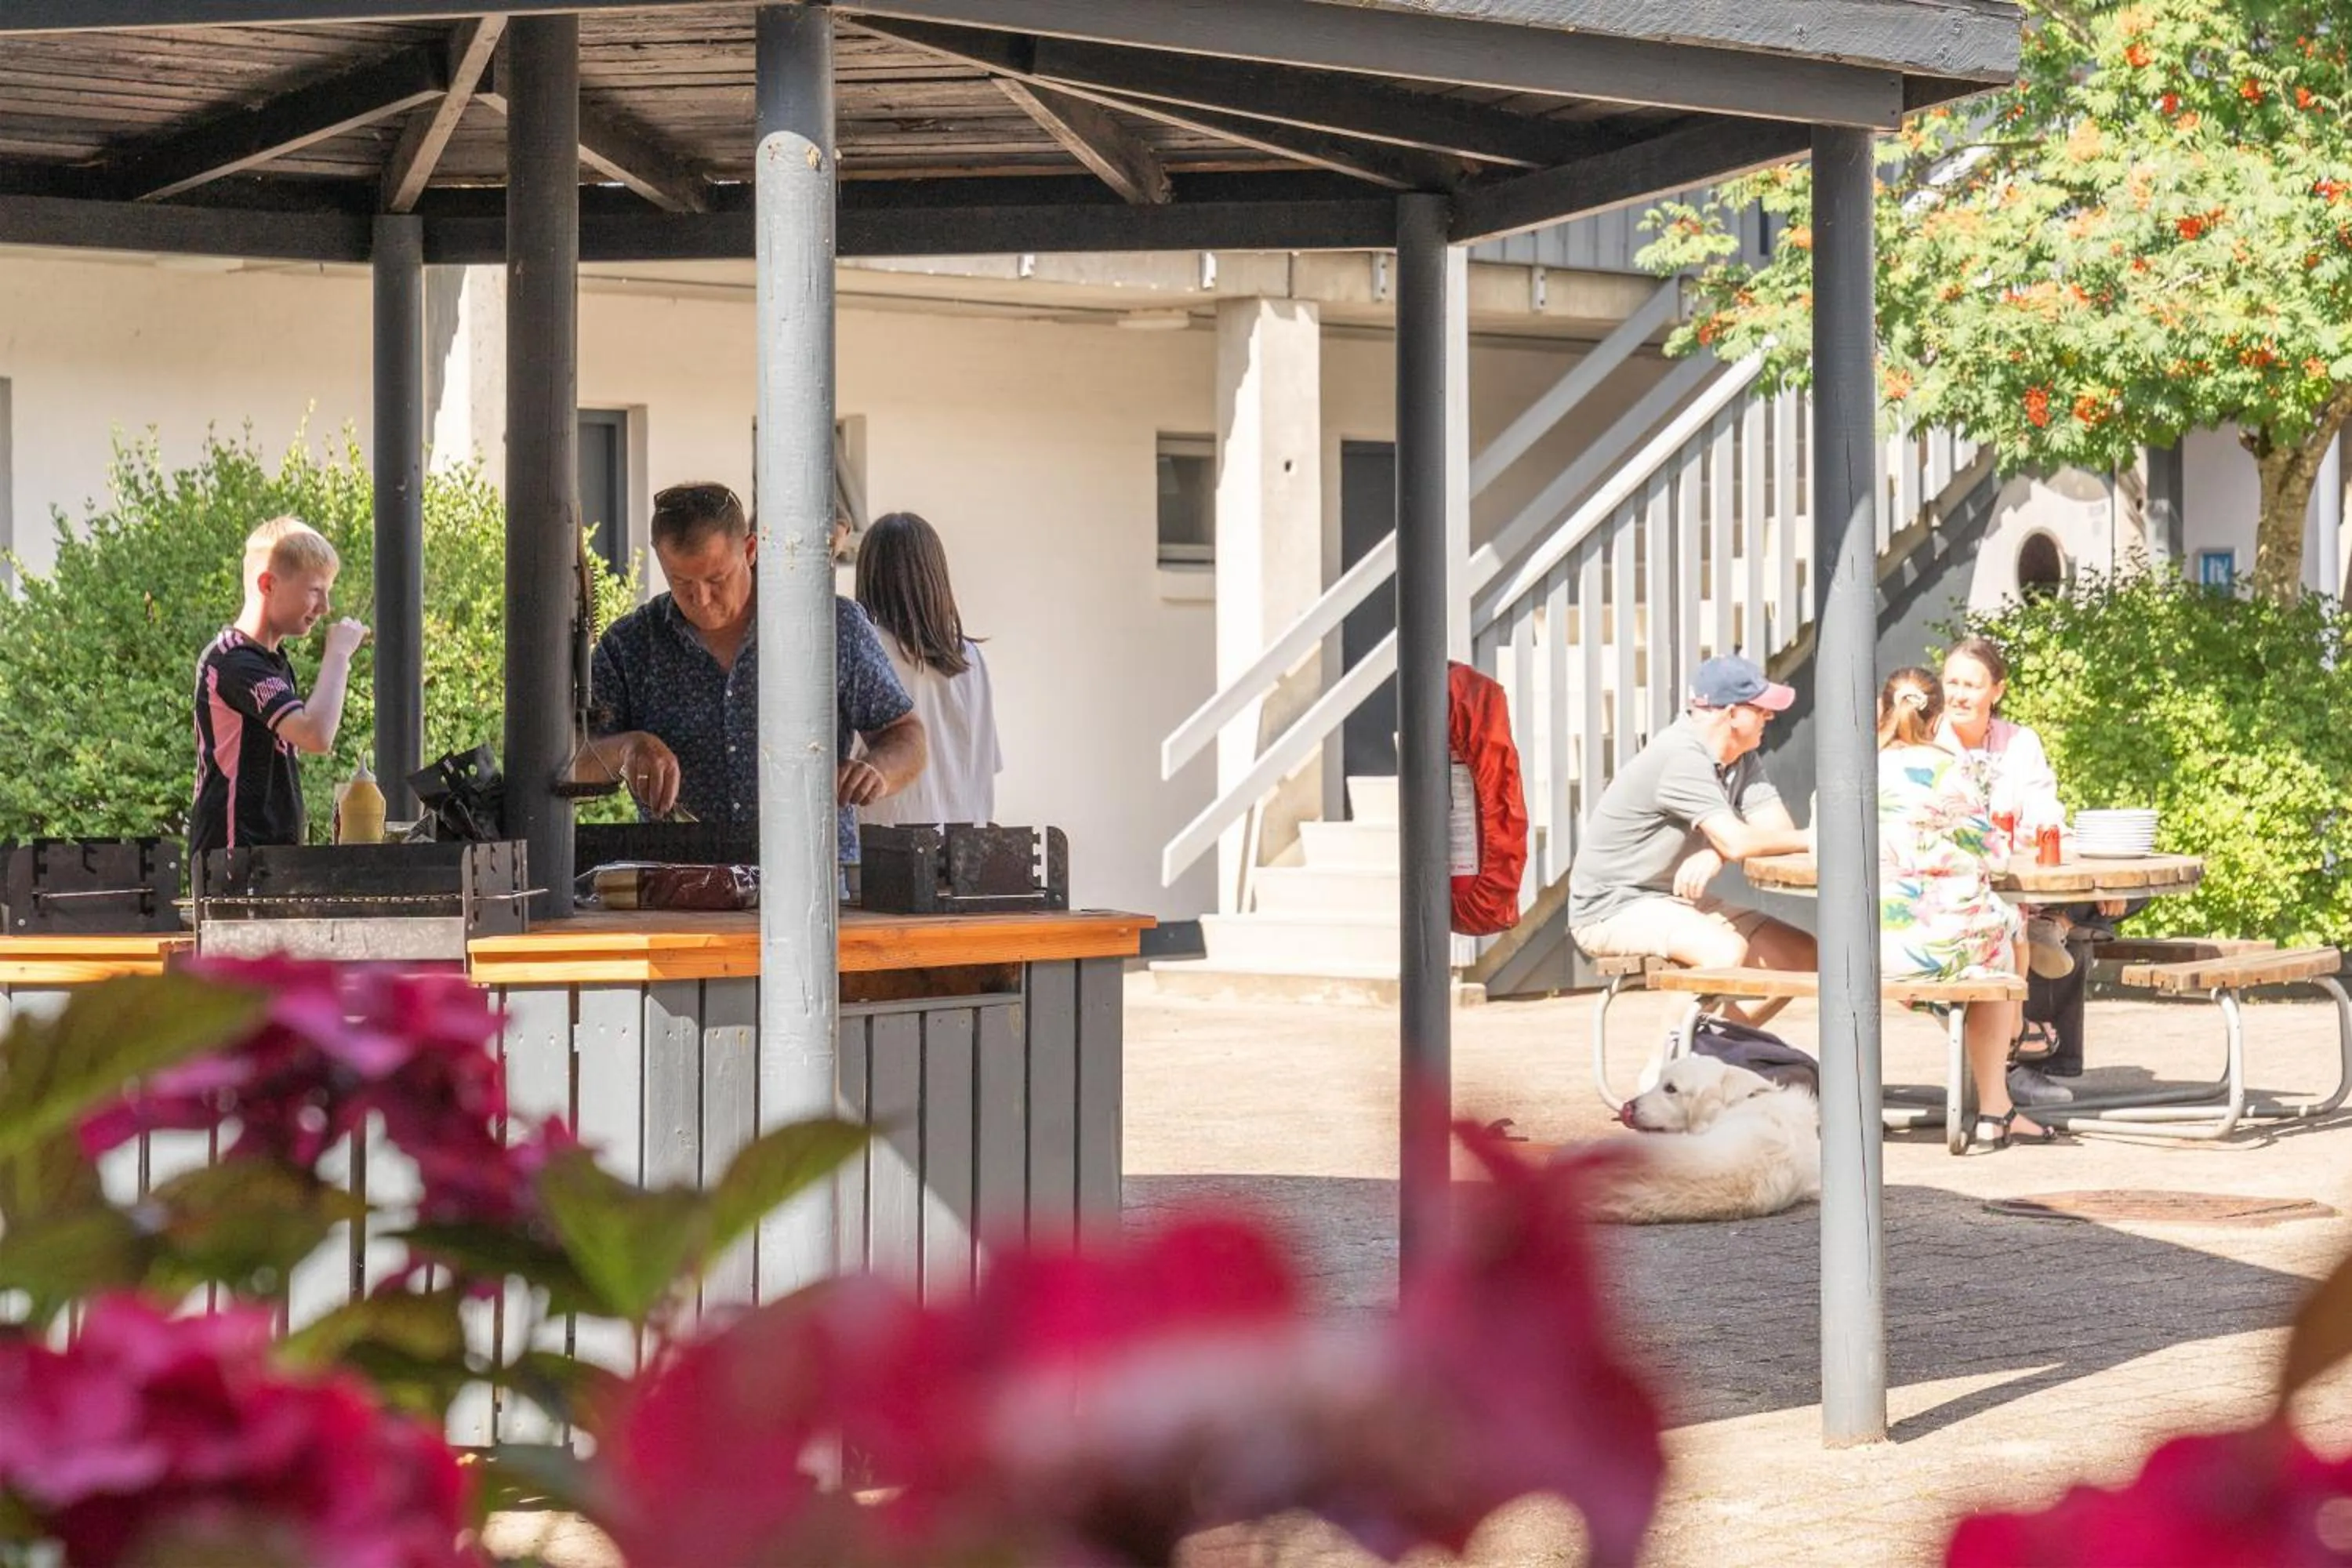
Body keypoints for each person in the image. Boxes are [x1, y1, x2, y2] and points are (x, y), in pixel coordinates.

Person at [579, 481, 926, 873]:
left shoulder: (829, 626)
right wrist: (627, 749)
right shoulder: (631, 645)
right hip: (682, 890)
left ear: (749, 549)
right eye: (681, 584)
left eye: (716, 580)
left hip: (813, 883)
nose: (702, 599)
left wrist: (877, 770)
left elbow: (906, 735)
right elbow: (571, 759)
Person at [1566, 655, 1817, 1025]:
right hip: (1612, 907)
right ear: (1731, 714)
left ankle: (1706, 1051)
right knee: (1723, 950)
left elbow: (1773, 834)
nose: (1770, 716)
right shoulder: (1681, 756)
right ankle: (1665, 1075)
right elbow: (1747, 841)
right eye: (1761, 709)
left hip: (1667, 900)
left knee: (1799, 954)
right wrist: (1812, 839)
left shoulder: (1740, 758)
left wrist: (1718, 853)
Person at [1877, 666, 2059, 1149]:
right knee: (2005, 935)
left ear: (1881, 711)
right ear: (1935, 718)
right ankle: (1997, 1107)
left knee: (1996, 938)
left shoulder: (1850, 770)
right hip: (1945, 946)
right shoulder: (1948, 770)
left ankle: (1852, 1105)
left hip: (1867, 947)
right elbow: (1996, 854)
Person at [1939, 634, 2125, 1104]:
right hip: (1952, 887)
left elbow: (2045, 816)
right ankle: (2019, 1060)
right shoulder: (1926, 740)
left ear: (1996, 691)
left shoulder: (2021, 743)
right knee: (2021, 925)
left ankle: (2055, 922)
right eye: (1952, 682)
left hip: (2020, 875)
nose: (1959, 694)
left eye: (1971, 684)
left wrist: (2074, 866)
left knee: (2121, 890)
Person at [189, 517, 370, 855]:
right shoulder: (233, 660)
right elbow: (316, 734)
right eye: (315, 590)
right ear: (268, 584)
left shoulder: (274, 662)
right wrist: (339, 653)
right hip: (233, 861)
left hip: (270, 858)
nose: (325, 607)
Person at [854, 511, 1002, 827]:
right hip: (967, 857)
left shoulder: (864, 650)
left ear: (870, 575)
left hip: (889, 854)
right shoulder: (972, 659)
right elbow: (986, 767)